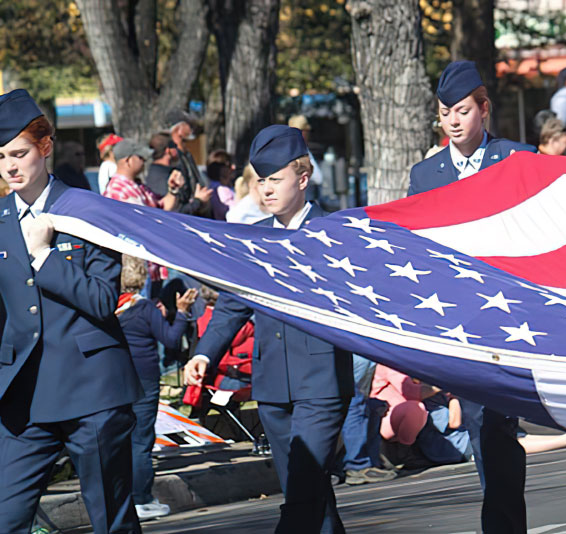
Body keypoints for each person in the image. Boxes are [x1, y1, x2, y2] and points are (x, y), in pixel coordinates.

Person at [185, 124, 354, 534]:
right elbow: (231, 306)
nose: (266, 190)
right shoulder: (255, 239)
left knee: (301, 491)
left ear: (302, 176)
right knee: (312, 497)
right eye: (260, 181)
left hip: (322, 382)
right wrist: (205, 352)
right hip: (273, 385)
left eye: (275, 180)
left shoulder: (333, 233)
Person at [0, 88, 142, 533]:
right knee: (6, 516)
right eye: (2, 156)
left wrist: (45, 258)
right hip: (24, 398)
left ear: (45, 147)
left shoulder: (86, 211)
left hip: (92, 392)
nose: (9, 166)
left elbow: (102, 300)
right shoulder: (1, 220)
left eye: (19, 153)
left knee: (110, 520)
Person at [409, 60, 536, 534]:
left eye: (463, 110)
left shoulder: (517, 158)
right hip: (462, 321)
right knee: (483, 428)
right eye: (446, 113)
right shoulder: (426, 175)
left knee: (500, 430)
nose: (454, 121)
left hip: (514, 315)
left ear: (483, 109)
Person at [116, 255, 196, 521]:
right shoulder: (145, 308)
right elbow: (171, 339)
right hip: (144, 378)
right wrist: (182, 313)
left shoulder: (104, 307)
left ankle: (120, 497)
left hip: (112, 378)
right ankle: (142, 499)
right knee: (141, 440)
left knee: (117, 439)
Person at [340, 354, 398, 485]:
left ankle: (368, 462)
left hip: (358, 351)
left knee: (363, 404)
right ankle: (359, 466)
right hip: (354, 348)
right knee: (355, 404)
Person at [164, 108, 212, 216]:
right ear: (178, 130)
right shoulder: (171, 157)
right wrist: (197, 201)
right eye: (189, 126)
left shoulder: (187, 155)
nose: (192, 130)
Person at [288, 115, 324, 193]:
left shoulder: (303, 150)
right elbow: (318, 178)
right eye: (306, 131)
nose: (308, 135)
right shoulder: (295, 153)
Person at [206, 149, 237, 220]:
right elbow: (234, 211)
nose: (233, 167)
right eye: (229, 165)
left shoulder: (220, 187)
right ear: (220, 169)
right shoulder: (220, 189)